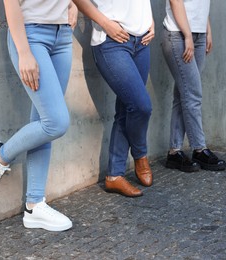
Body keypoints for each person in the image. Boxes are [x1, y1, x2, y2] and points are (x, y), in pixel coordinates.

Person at [0, 0, 78, 232]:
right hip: (31, 34)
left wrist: (73, 4)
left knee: (43, 122)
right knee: (56, 122)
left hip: (62, 34)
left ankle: (34, 205)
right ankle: (0, 155)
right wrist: (23, 51)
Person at [72, 0, 155, 197]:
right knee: (142, 106)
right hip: (111, 41)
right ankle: (140, 154)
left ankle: (114, 176)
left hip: (142, 40)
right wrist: (106, 23)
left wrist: (149, 19)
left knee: (128, 107)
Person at [162, 0, 226, 172]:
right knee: (192, 95)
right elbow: (175, 2)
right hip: (179, 35)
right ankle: (199, 149)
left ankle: (174, 153)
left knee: (182, 94)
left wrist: (208, 30)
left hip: (198, 35)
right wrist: (188, 35)